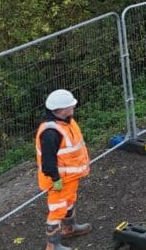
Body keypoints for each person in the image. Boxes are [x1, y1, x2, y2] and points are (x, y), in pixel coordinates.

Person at [36, 89, 91, 250]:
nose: (73, 107)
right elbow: (48, 161)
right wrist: (55, 178)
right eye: (70, 105)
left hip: (69, 178)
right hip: (59, 180)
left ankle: (70, 228)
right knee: (57, 210)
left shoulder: (66, 122)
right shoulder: (51, 132)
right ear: (61, 110)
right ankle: (52, 245)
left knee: (69, 201)